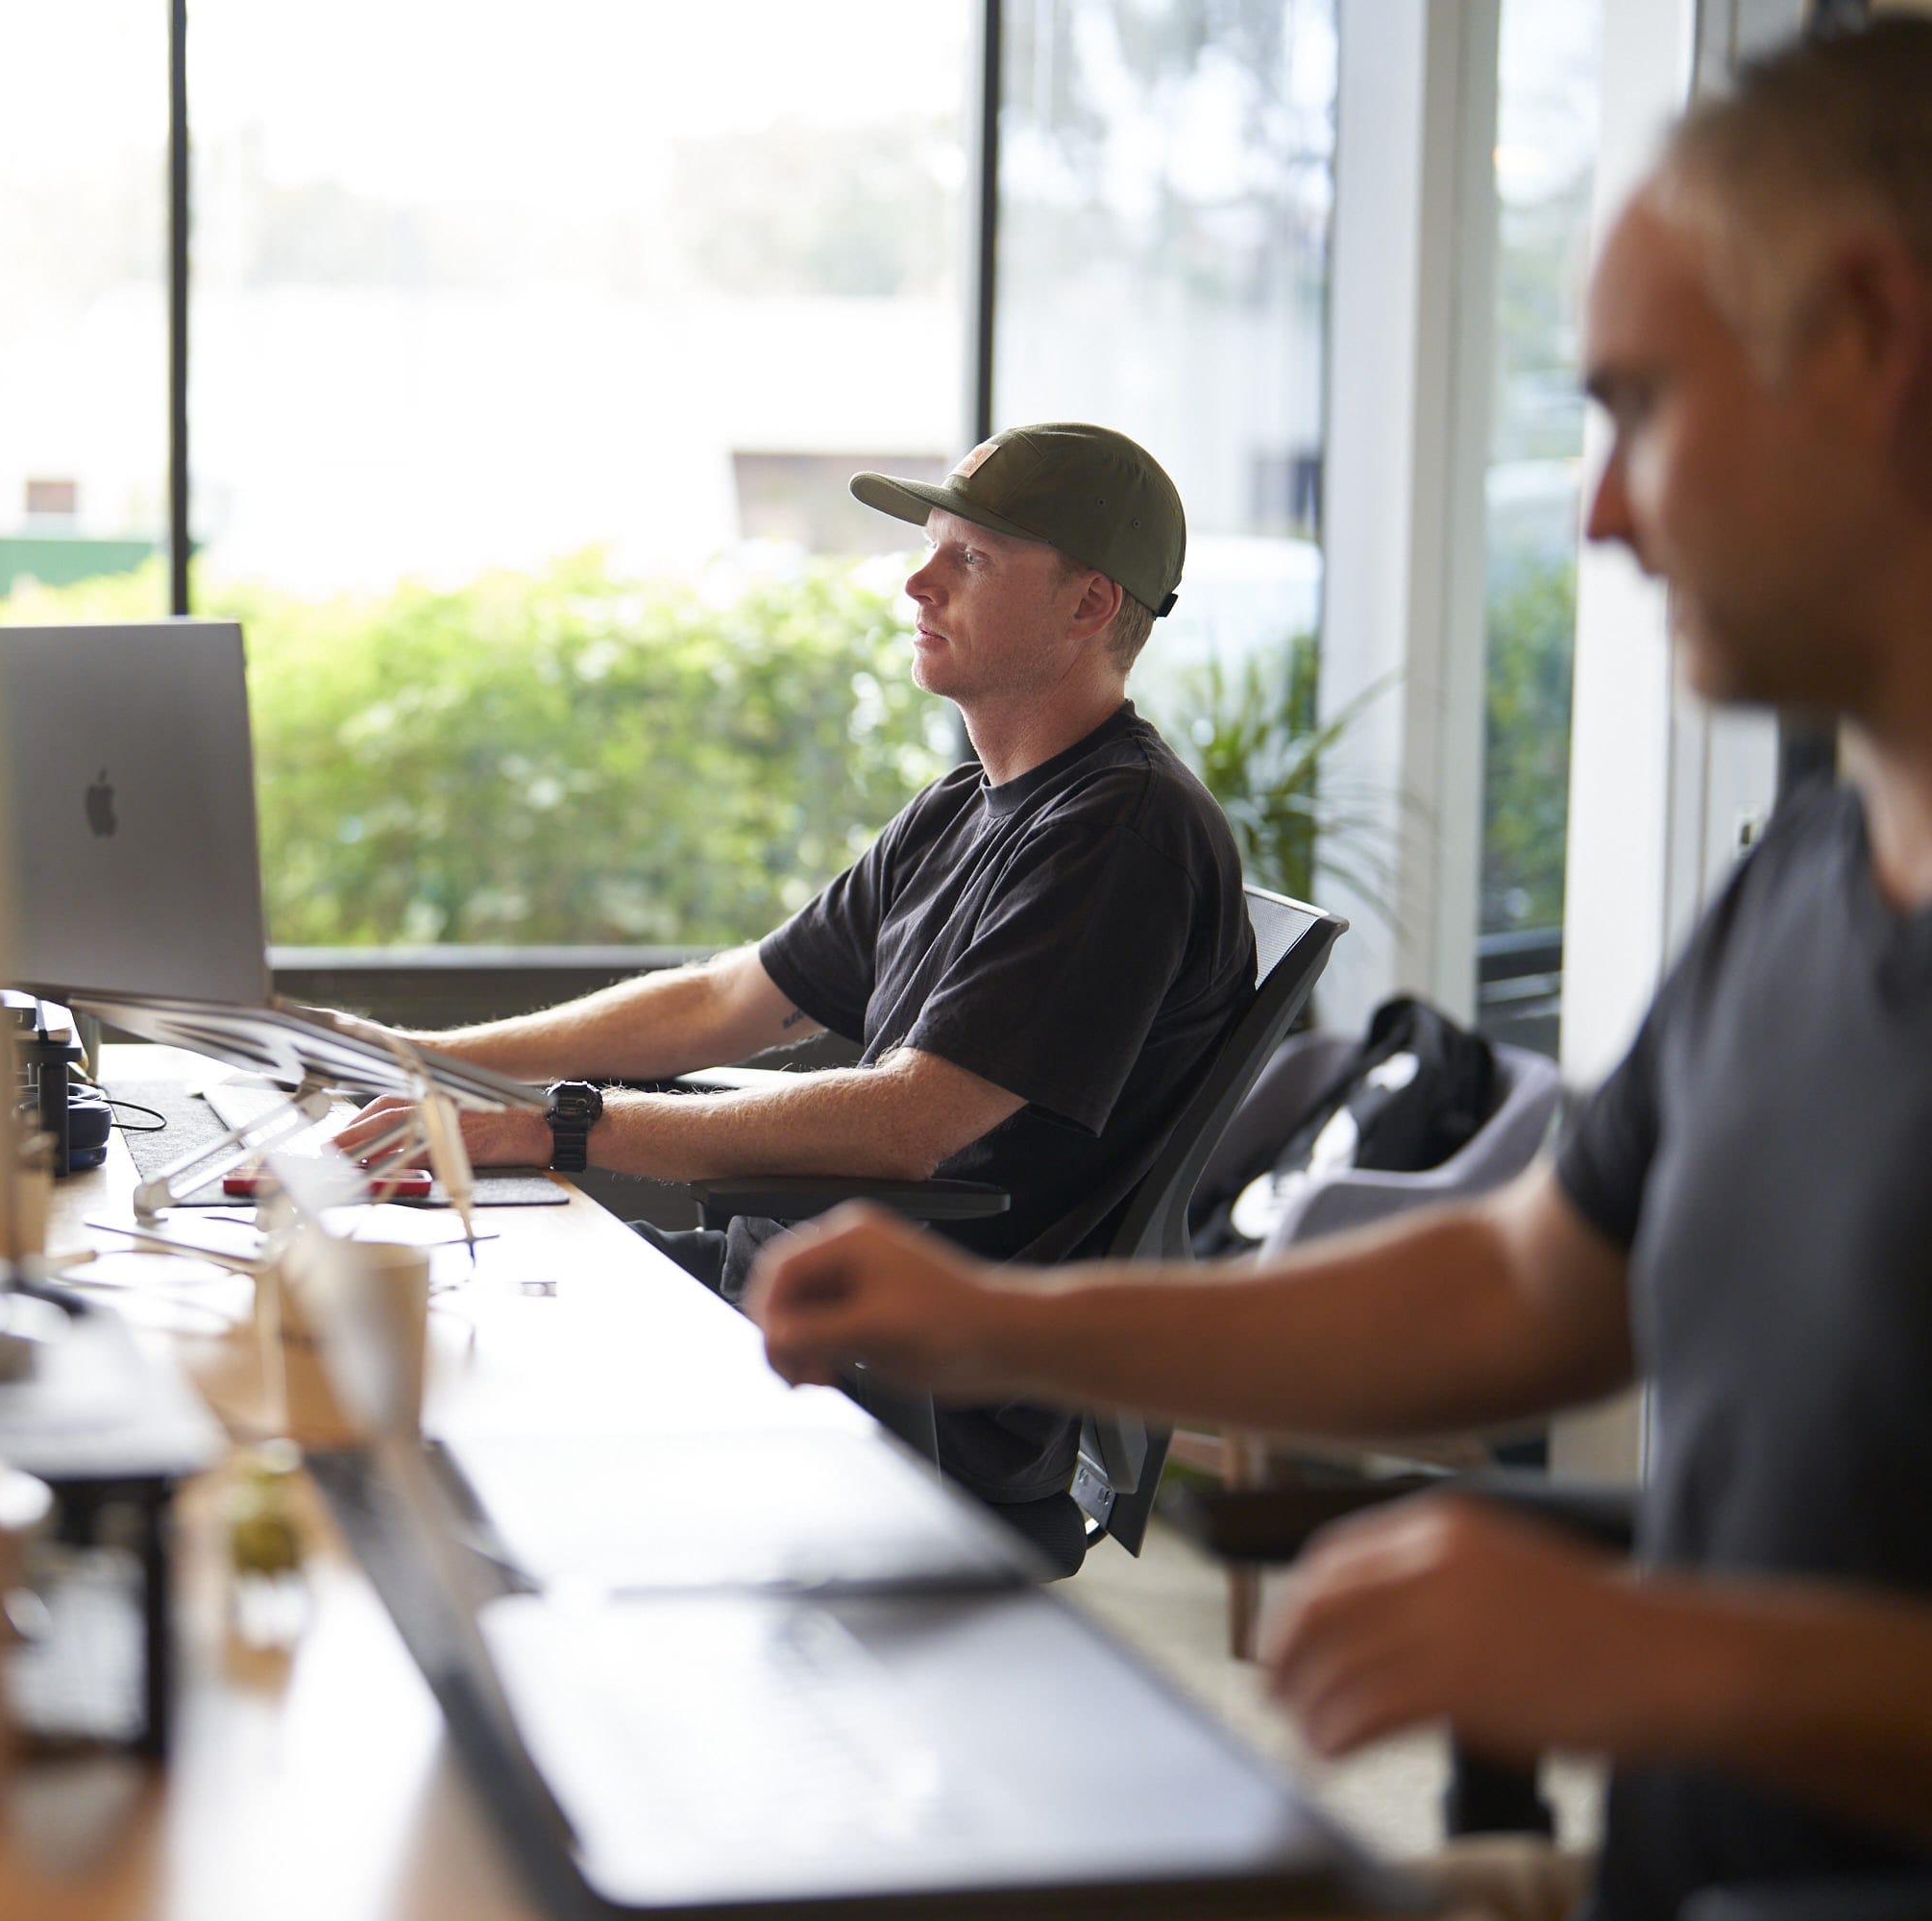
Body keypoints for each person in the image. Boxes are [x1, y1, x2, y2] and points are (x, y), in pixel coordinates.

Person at [744, 23, 1932, 1919]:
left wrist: (1662, 1656)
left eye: (1639, 406)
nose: (1603, 513)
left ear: (1870, 340)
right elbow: (1531, 1280)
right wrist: (1001, 1323)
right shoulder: (1807, 877)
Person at [336, 422, 1253, 1568]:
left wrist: (549, 1127)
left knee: (447, 1369)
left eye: (970, 558)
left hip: (911, 1357)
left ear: (1089, 605)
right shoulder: (964, 807)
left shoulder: (1121, 831)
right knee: (415, 1299)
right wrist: (422, 1057)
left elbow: (908, 1123)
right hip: (798, 1287)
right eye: (931, 547)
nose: (917, 581)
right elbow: (728, 998)